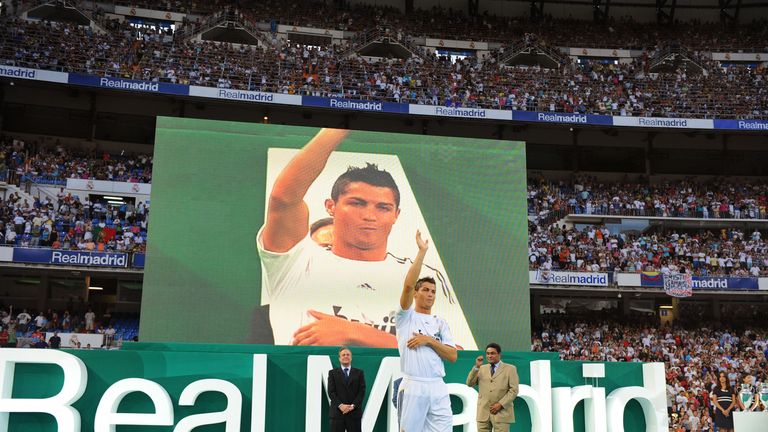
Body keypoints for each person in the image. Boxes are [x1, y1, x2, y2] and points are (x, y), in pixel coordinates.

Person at [256, 128, 475, 348]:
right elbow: (283, 197)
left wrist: (356, 333)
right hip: (307, 382)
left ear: (396, 215)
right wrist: (340, 124)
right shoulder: (297, 264)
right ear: (331, 207)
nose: (370, 216)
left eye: (383, 207)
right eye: (357, 203)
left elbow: (456, 356)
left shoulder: (422, 277)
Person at [395, 231, 457, 432]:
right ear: (416, 293)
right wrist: (422, 252)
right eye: (425, 290)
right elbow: (407, 285)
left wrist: (429, 340)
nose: (430, 294)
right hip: (414, 386)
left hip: (437, 385)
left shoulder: (440, 323)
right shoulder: (406, 317)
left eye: (433, 291)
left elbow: (452, 355)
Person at [466, 343, 519, 432]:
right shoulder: (481, 368)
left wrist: (500, 404)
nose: (489, 356)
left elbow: (514, 390)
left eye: (492, 353)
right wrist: (476, 367)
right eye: (487, 353)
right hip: (483, 414)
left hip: (502, 413)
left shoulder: (510, 369)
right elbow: (469, 383)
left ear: (499, 354)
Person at [327, 347, 366, 432]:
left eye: (348, 354)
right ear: (339, 358)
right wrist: (341, 405)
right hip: (337, 414)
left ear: (351, 357)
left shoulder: (359, 373)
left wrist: (352, 406)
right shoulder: (332, 373)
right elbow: (331, 392)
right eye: (343, 355)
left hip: (354, 413)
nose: (346, 356)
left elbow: (361, 392)